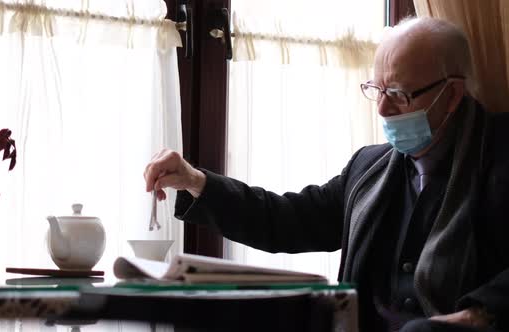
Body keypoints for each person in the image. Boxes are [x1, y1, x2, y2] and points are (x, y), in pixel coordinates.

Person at [144, 16, 509, 332]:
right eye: (376, 89)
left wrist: (480, 315)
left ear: (452, 95)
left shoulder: (498, 157)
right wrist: (195, 181)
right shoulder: (369, 169)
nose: (382, 108)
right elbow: (285, 219)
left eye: (398, 93)